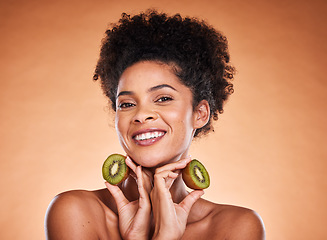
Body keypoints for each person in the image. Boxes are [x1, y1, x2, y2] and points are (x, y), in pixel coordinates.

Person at [45, 9, 265, 240]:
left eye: (163, 99)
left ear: (200, 113)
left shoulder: (235, 227)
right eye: (127, 104)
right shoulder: (75, 212)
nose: (141, 115)